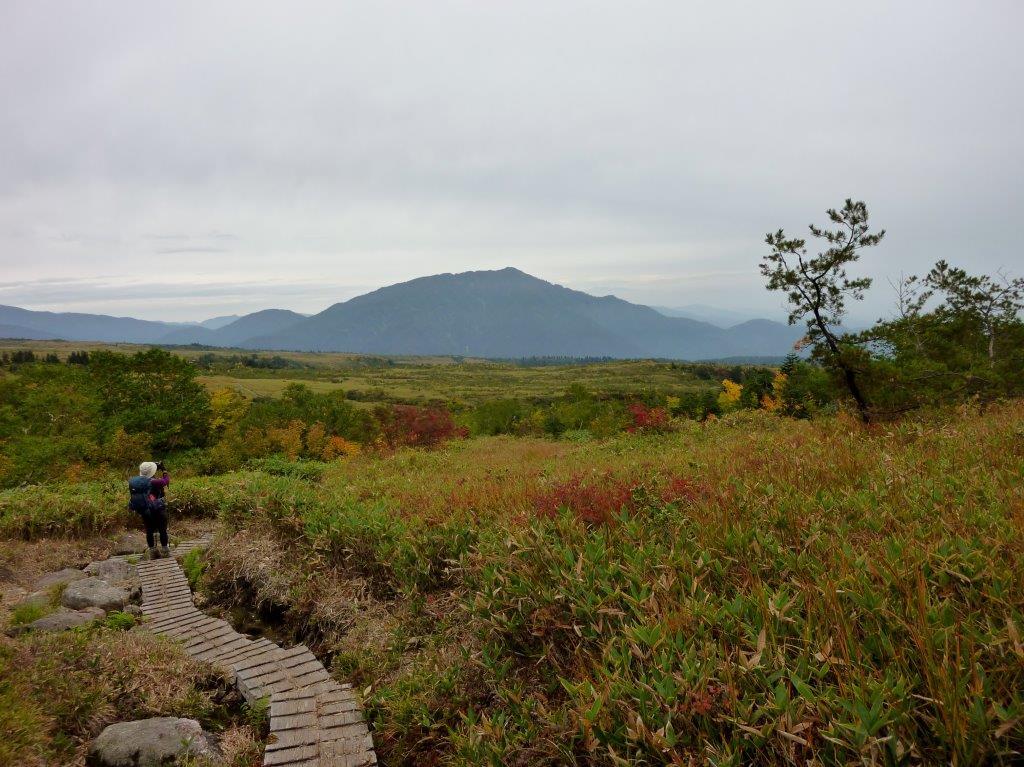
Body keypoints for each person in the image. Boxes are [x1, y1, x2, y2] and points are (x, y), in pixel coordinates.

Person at [129, 460, 171, 559]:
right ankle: (165, 551)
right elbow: (166, 481)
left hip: (145, 509)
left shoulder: (136, 482)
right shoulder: (154, 482)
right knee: (162, 530)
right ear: (152, 471)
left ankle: (152, 552)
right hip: (157, 508)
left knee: (149, 530)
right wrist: (164, 471)